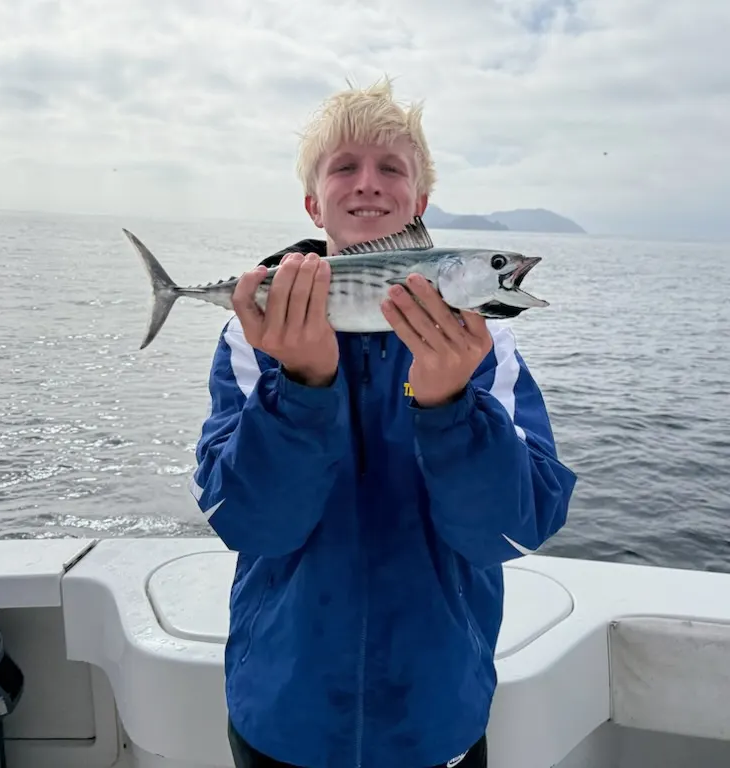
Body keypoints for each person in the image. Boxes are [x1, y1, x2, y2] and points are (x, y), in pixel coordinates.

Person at [190, 78, 577, 768]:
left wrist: (452, 406)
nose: (368, 184)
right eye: (345, 167)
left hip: (434, 718)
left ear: (421, 205)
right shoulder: (256, 337)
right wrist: (303, 385)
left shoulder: (488, 347)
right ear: (314, 201)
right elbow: (250, 525)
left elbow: (514, 529)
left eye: (391, 168)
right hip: (283, 715)